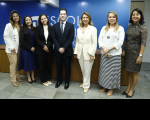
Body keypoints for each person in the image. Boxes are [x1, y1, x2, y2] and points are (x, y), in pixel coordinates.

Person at [122, 8, 148, 98]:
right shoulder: (129, 26)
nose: (135, 16)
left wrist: (140, 56)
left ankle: (132, 89)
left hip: (136, 52)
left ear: (140, 16)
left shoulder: (143, 27)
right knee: (128, 71)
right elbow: (126, 39)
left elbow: (143, 43)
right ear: (131, 16)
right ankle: (128, 87)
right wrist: (123, 50)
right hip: (128, 51)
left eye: (137, 14)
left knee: (134, 72)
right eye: (133, 14)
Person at [98, 11, 125, 96]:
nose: (111, 18)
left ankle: (111, 88)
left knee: (113, 73)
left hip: (115, 55)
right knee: (105, 71)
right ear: (107, 18)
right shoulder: (103, 28)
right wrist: (104, 49)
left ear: (116, 18)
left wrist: (108, 49)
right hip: (104, 54)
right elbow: (100, 40)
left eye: (113, 17)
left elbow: (120, 42)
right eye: (110, 17)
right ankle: (105, 86)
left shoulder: (120, 28)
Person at [74, 12, 97, 93]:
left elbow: (94, 43)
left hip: (88, 53)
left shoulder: (93, 29)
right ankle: (84, 82)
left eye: (87, 17)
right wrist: (76, 52)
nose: (85, 19)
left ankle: (86, 85)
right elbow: (77, 41)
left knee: (87, 70)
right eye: (83, 17)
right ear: (81, 19)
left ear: (89, 19)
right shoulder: (79, 29)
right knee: (83, 70)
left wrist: (92, 54)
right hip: (80, 53)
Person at [52, 8, 75, 89]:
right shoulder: (54, 26)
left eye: (64, 14)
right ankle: (59, 81)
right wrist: (59, 48)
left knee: (67, 68)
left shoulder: (71, 25)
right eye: (61, 14)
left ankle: (67, 82)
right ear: (59, 15)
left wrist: (64, 48)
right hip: (57, 51)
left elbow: (71, 38)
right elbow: (53, 38)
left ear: (66, 15)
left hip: (67, 51)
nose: (62, 15)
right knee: (58, 67)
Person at [4, 10, 24, 87]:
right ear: (12, 18)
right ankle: (13, 80)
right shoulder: (8, 25)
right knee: (13, 63)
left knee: (17, 63)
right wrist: (11, 47)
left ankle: (18, 76)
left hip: (18, 48)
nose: (16, 17)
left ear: (19, 17)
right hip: (11, 49)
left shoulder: (20, 25)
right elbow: (6, 37)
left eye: (17, 16)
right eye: (14, 16)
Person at [35, 14, 53, 86]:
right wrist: (44, 46)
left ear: (47, 19)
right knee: (42, 66)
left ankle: (48, 78)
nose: (43, 20)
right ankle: (43, 80)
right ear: (40, 21)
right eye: (42, 19)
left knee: (49, 65)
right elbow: (37, 39)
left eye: (45, 18)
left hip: (49, 50)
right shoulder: (37, 28)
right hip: (40, 50)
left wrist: (47, 47)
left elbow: (52, 39)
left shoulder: (51, 28)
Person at [18, 15, 38, 84]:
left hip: (33, 49)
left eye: (29, 20)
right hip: (26, 50)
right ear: (25, 21)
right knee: (27, 64)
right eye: (26, 20)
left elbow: (36, 39)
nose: (28, 21)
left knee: (32, 64)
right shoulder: (22, 29)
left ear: (31, 20)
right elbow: (22, 41)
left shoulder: (34, 29)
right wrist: (30, 48)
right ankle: (28, 77)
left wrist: (34, 47)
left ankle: (33, 77)